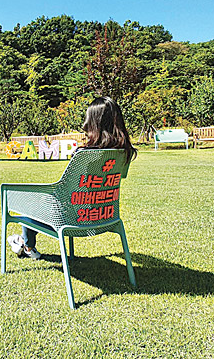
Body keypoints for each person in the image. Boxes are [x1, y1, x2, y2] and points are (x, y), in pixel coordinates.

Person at [8, 96, 137, 259]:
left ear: (92, 122)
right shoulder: (123, 153)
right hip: (103, 215)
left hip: (72, 219)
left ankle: (26, 245)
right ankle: (24, 244)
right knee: (39, 204)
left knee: (31, 205)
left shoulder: (84, 155)